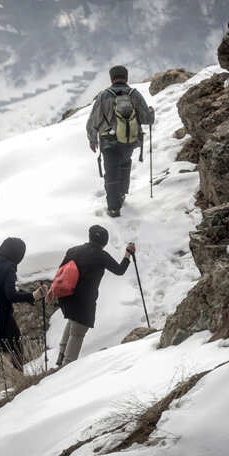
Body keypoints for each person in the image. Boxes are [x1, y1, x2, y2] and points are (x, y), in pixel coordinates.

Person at [48, 225, 136, 366]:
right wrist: (128, 253)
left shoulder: (73, 251)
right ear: (104, 242)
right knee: (78, 332)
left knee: (72, 321)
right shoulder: (101, 255)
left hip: (66, 298)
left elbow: (60, 272)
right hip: (84, 301)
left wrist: (52, 290)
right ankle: (66, 367)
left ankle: (61, 355)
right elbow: (119, 270)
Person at [0, 237, 47, 397]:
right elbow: (11, 295)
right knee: (16, 345)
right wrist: (34, 295)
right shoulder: (8, 268)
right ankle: (21, 381)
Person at [86, 65, 155, 218]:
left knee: (111, 173)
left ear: (111, 79)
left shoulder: (104, 96)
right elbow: (147, 119)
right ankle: (122, 195)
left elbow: (92, 121)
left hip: (108, 141)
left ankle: (113, 208)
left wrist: (92, 140)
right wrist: (152, 112)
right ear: (127, 78)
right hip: (129, 141)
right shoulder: (134, 94)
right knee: (124, 165)